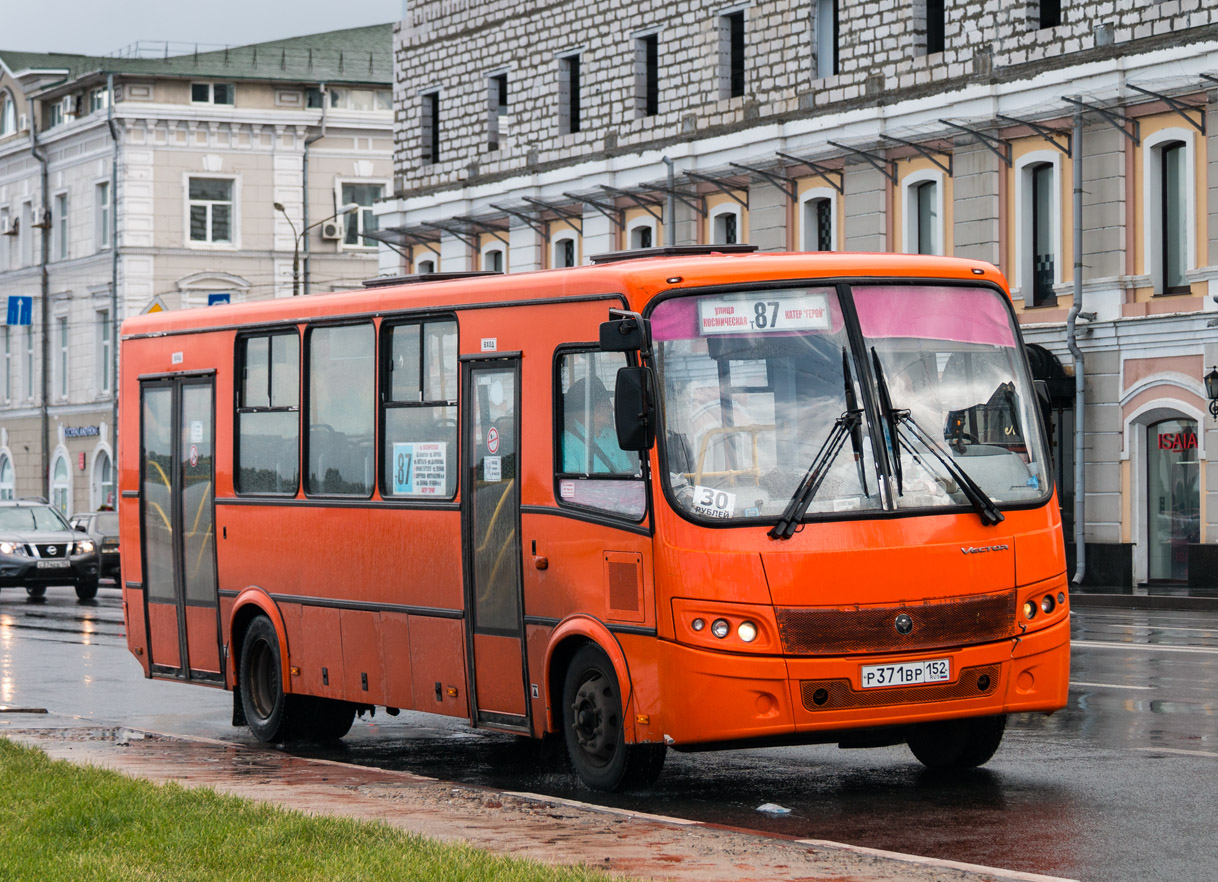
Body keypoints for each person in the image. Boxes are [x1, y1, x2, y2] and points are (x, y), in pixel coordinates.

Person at [562, 377, 635, 474]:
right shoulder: (567, 441)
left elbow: (627, 471)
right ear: (588, 411)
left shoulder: (611, 434)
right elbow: (572, 484)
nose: (612, 409)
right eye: (605, 405)